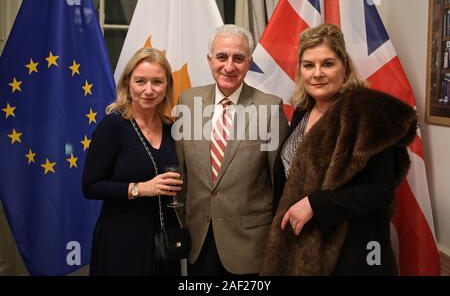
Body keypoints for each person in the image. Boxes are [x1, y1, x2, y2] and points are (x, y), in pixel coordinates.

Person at [261, 24, 418, 276]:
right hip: (303, 249)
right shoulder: (302, 111)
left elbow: (380, 193)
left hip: (353, 252)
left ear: (344, 66)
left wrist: (316, 204)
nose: (317, 73)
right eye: (309, 65)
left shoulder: (367, 112)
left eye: (328, 64)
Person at [174, 24, 289, 275]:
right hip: (199, 240)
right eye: (221, 57)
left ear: (249, 62)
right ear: (209, 59)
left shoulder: (270, 108)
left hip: (249, 245)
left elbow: (278, 181)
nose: (229, 66)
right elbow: (182, 174)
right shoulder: (187, 102)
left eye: (238, 58)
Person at [82, 47, 183, 276]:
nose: (148, 90)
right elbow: (90, 186)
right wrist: (142, 188)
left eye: (157, 82)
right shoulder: (113, 126)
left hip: (164, 238)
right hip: (123, 238)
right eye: (140, 81)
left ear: (167, 85)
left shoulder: (171, 127)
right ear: (128, 83)